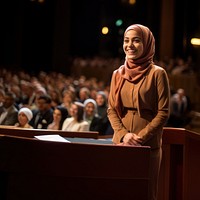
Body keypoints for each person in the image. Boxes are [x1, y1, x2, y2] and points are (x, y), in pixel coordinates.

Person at [107, 24, 170, 200]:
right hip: (121, 143)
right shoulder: (117, 74)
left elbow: (163, 112)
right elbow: (111, 109)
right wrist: (124, 135)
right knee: (121, 192)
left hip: (148, 144)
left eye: (136, 40)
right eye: (126, 41)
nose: (130, 45)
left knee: (146, 193)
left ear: (147, 44)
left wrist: (139, 138)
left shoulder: (158, 73)